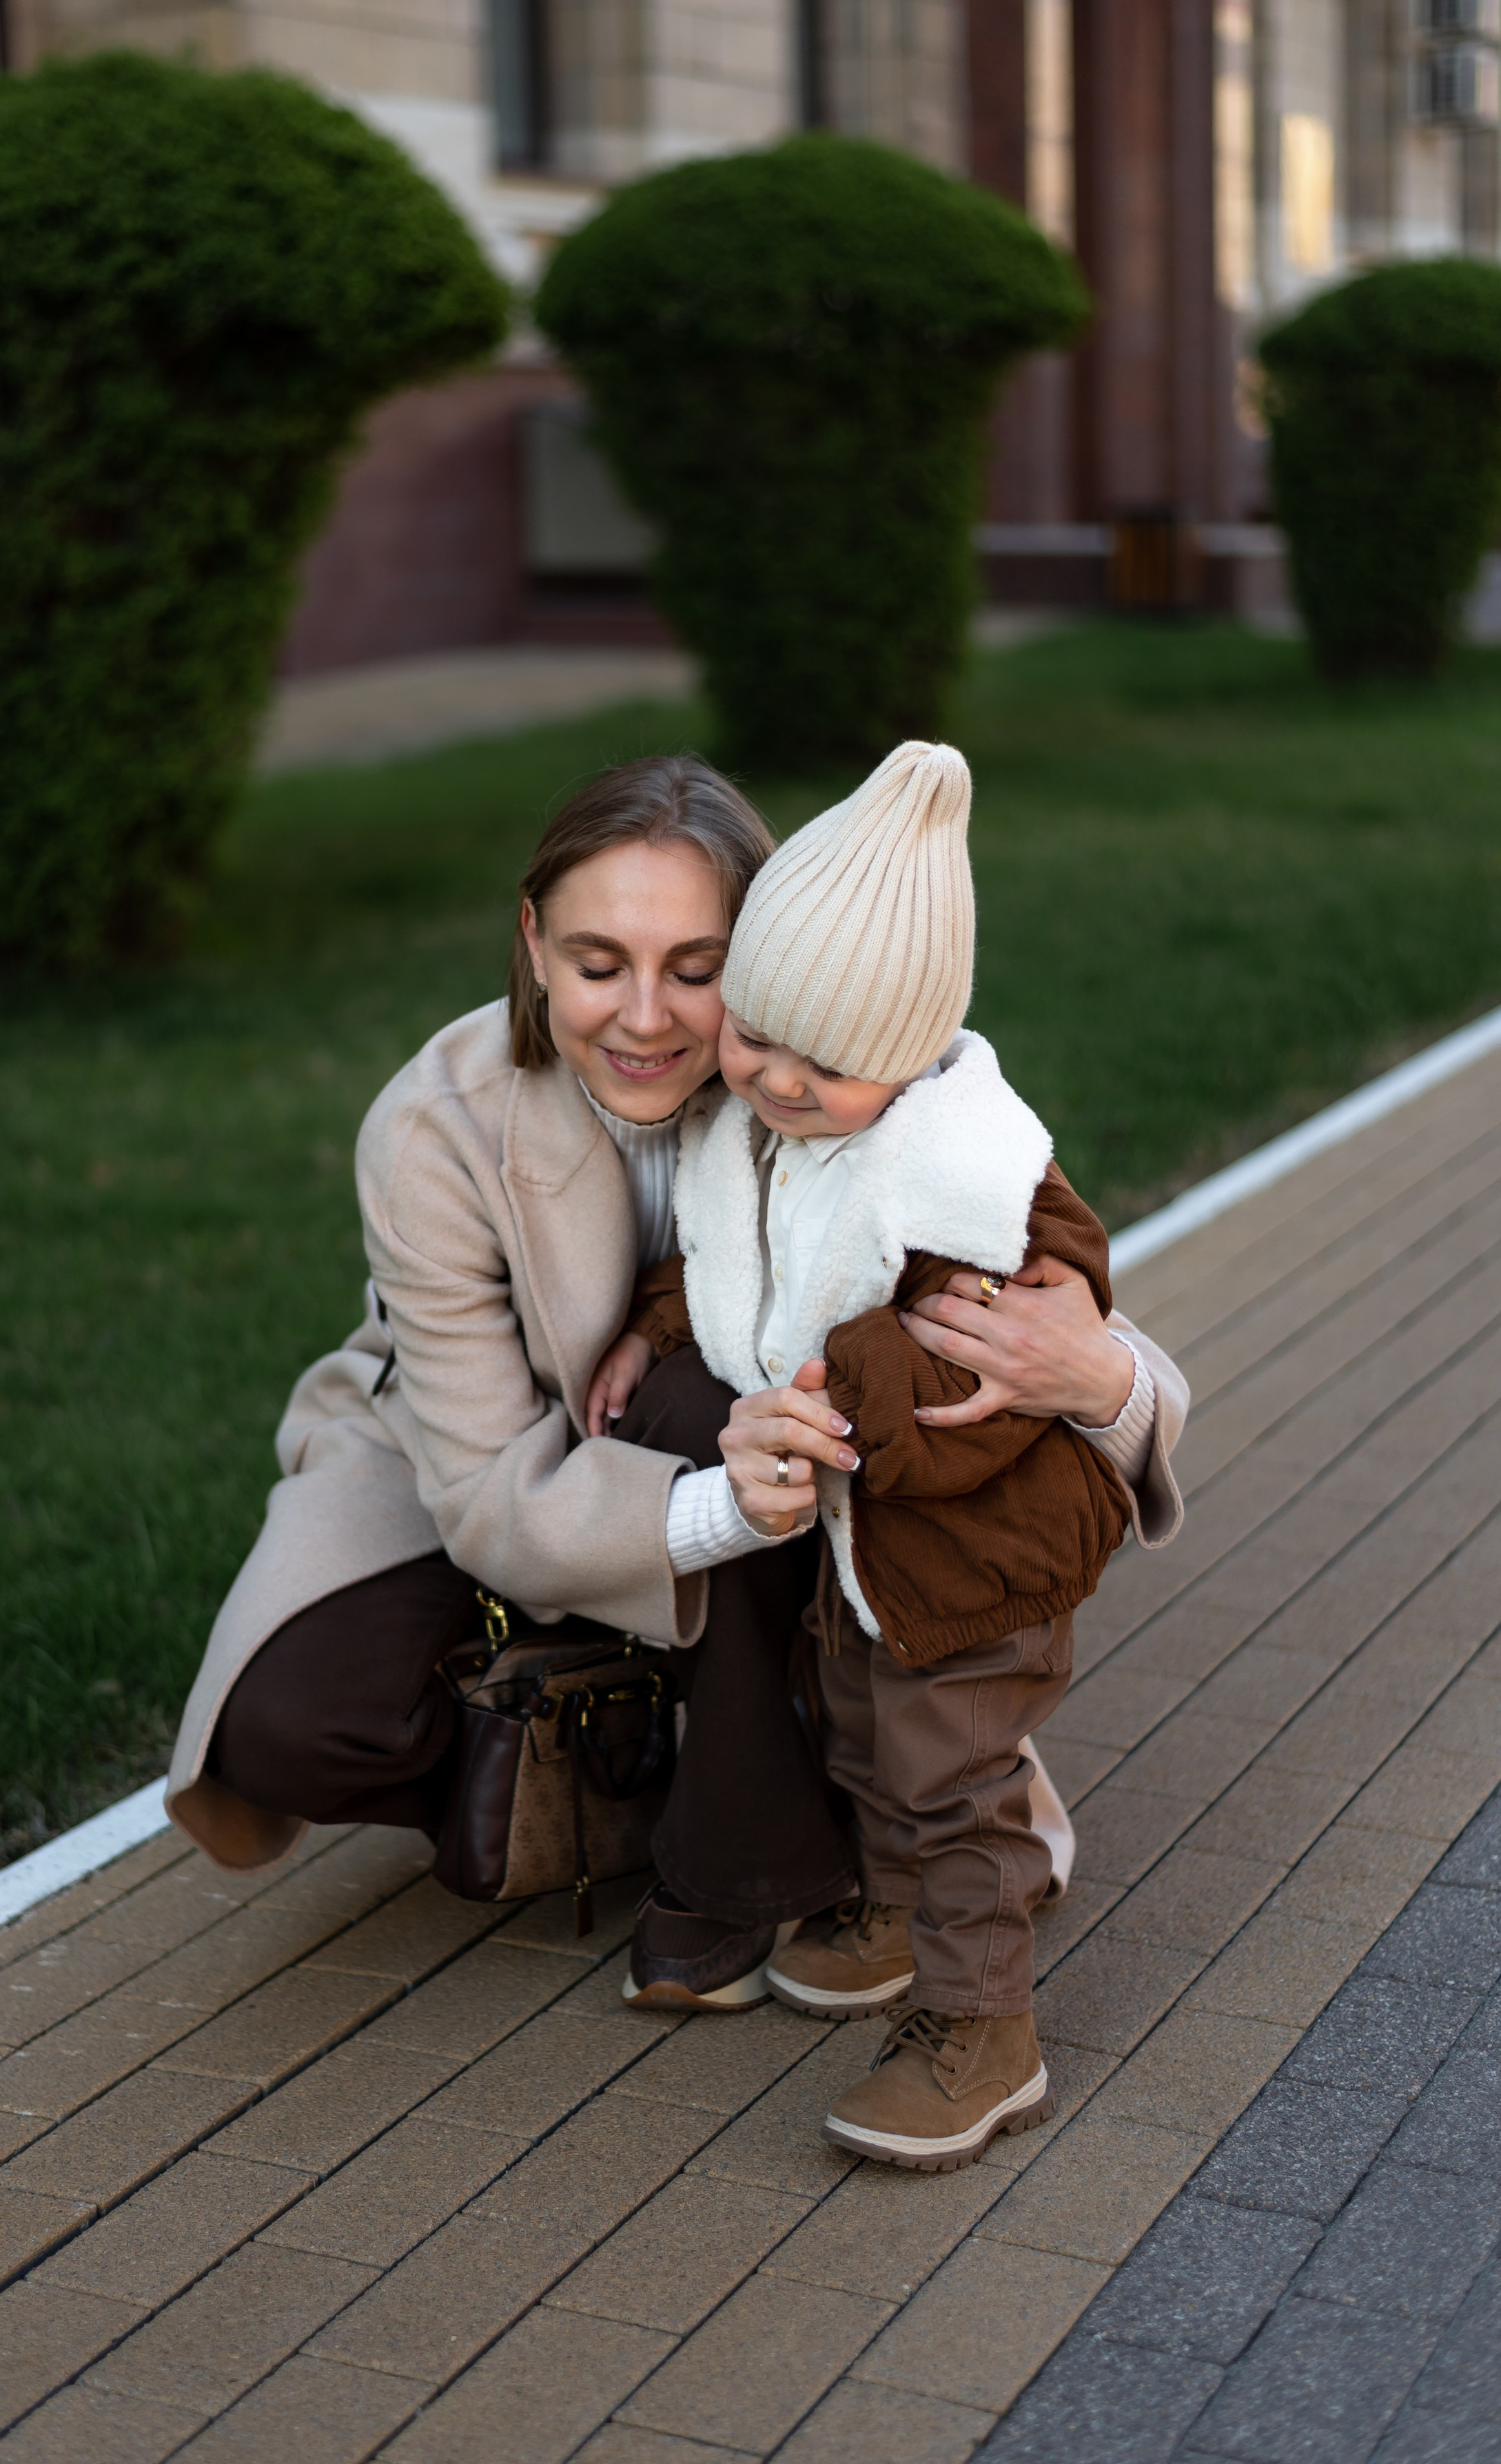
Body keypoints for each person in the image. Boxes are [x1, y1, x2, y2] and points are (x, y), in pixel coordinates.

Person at [165, 753, 1187, 2013]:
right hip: (472, 1445)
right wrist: (723, 1511)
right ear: (533, 943)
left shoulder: (851, 1072)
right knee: (289, 1720)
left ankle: (749, 1846)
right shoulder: (436, 1124)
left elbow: (1093, 1334)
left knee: (716, 1403)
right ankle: (648, 1759)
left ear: (766, 955)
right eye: (599, 963)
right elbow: (485, 1483)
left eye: (698, 971)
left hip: (764, 1453)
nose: (647, 1017)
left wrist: (1094, 1375)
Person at [593, 740, 1187, 2164]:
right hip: (870, 1559)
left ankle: (982, 2032)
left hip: (973, 1555)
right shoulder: (775, 1128)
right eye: (758, 1040)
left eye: (830, 1061)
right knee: (861, 1737)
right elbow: (750, 1253)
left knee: (952, 1780)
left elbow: (1016, 1315)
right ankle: (898, 1911)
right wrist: (663, 1320)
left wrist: (830, 1383)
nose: (779, 1083)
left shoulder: (973, 1173)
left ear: (917, 1050)